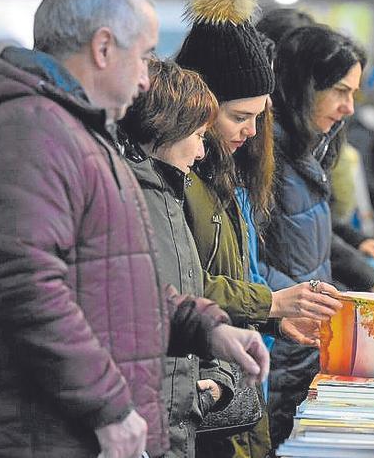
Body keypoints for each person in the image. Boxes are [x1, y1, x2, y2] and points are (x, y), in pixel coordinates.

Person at [0, 0, 269, 458]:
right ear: (102, 48)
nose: (146, 79)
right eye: (142, 56)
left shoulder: (73, 130)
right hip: (44, 435)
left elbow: (111, 284)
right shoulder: (30, 131)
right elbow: (25, 289)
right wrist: (108, 407)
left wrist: (206, 327)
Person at [175, 0, 343, 458]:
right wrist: (269, 303)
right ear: (201, 106)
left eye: (258, 117)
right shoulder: (180, 179)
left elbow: (230, 273)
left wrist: (270, 317)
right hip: (204, 397)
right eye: (239, 116)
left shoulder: (228, 176)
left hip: (233, 388)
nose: (251, 131)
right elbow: (183, 284)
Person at [119, 59, 235, 457]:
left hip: (176, 424)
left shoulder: (171, 199)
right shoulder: (128, 200)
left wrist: (216, 382)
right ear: (166, 126)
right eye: (199, 135)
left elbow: (189, 299)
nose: (202, 152)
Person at [261, 25, 368, 448]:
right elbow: (241, 261)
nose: (349, 108)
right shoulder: (265, 155)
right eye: (341, 91)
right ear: (306, 86)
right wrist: (289, 301)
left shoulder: (308, 150)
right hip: (273, 349)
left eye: (354, 93)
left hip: (298, 349)